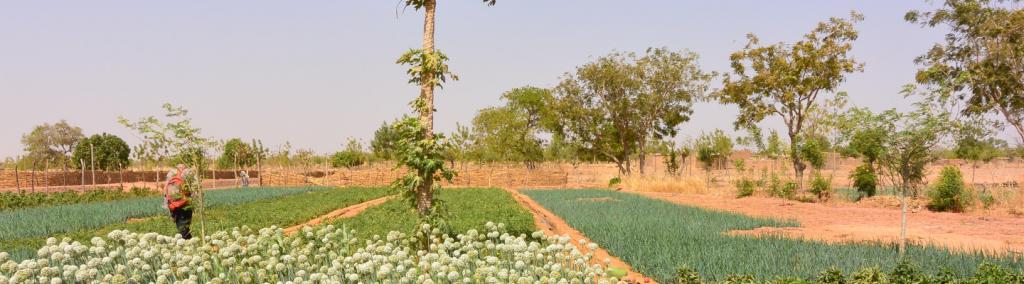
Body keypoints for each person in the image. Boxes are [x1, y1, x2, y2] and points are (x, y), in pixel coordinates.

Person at [162, 164, 193, 239]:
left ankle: (187, 242)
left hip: (173, 207)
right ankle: (188, 242)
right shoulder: (187, 175)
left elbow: (165, 194)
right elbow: (193, 192)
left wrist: (171, 213)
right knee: (184, 228)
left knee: (181, 228)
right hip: (185, 205)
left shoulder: (171, 176)